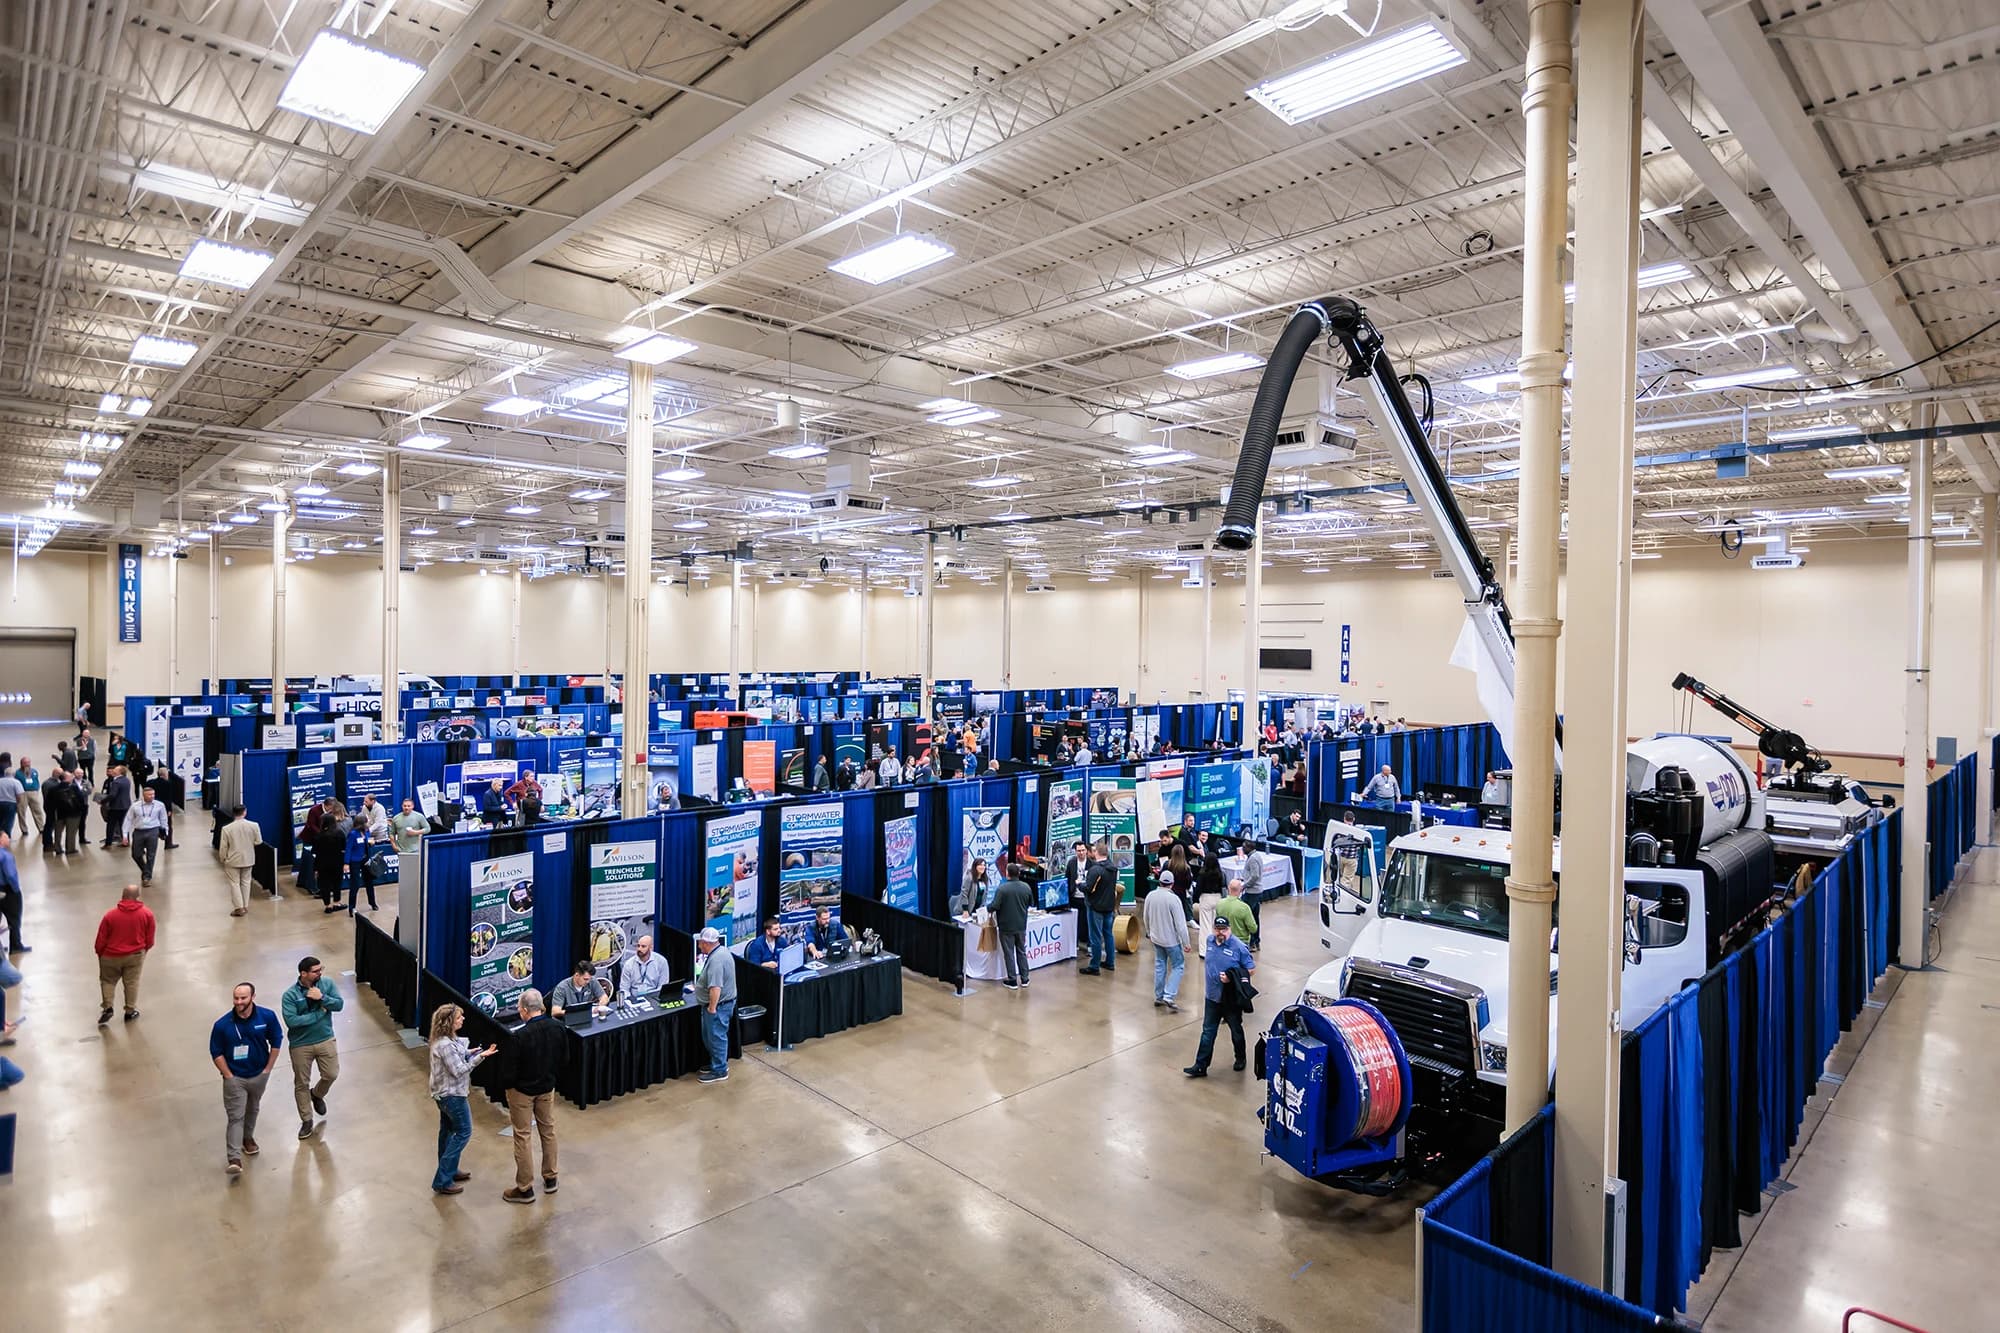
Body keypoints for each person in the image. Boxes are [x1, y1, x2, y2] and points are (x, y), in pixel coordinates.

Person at [210, 981, 283, 1174]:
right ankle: (234, 1158)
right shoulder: (223, 1025)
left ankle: (247, 1138)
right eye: (236, 998)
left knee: (253, 1108)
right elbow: (216, 1052)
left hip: (259, 1074)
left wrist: (267, 1069)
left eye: (243, 998)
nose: (239, 1001)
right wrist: (229, 1076)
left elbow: (276, 1040)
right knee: (236, 1116)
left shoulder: (267, 1017)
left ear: (253, 997)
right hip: (236, 1078)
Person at [500, 988, 565, 1202]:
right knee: (548, 1131)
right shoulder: (558, 1028)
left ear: (526, 1010)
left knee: (522, 1135)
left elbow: (509, 1071)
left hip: (522, 1092)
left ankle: (525, 1188)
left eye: (520, 1008)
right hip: (547, 1088)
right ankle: (551, 1178)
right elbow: (565, 1059)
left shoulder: (519, 1036)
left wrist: (510, 1088)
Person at [427, 1003, 495, 1195]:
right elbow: (458, 1070)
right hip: (452, 1096)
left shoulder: (446, 1040)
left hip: (443, 1094)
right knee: (464, 1132)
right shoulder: (445, 1045)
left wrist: (470, 1052)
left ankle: (449, 1170)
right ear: (449, 1022)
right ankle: (442, 1180)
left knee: (447, 1132)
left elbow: (458, 1056)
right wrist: (480, 1057)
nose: (463, 1020)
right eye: (458, 1018)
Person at [1184, 915, 1256, 1077]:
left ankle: (1240, 1058)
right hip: (1212, 997)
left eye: (1224, 929)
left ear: (1229, 929)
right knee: (1208, 1032)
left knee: (1236, 1030)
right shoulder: (1209, 941)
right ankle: (1200, 1065)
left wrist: (1232, 976)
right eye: (1217, 929)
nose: (1220, 933)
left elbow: (1251, 969)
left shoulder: (1238, 947)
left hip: (1230, 999)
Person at [281, 955, 343, 1141]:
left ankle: (317, 1094)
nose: (320, 973)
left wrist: (322, 998)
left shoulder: (327, 985)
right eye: (316, 971)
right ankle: (306, 1120)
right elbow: (292, 1022)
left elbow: (339, 1005)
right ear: (303, 973)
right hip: (301, 1045)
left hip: (325, 1038)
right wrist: (318, 1014)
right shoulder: (290, 995)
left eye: (320, 969)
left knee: (331, 1074)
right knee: (301, 1083)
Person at [94, 883, 154, 1024]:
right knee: (131, 983)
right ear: (137, 897)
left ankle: (108, 1007)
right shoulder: (147, 914)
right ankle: (130, 1011)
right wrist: (143, 951)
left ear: (122, 896)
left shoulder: (110, 916)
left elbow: (101, 939)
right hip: (135, 955)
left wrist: (100, 953)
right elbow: (150, 939)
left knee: (108, 981)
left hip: (110, 955)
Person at [694, 927, 736, 1084]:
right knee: (711, 1037)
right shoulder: (722, 952)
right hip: (722, 1005)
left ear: (706, 943)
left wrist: (712, 1008)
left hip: (719, 1007)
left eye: (701, 943)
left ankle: (719, 1070)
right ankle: (716, 1063)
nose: (699, 946)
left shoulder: (717, 960)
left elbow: (716, 987)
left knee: (716, 1037)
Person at [989, 864, 1034, 989]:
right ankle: (1025, 978)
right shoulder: (1026, 887)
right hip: (1021, 926)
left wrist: (987, 908)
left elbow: (994, 906)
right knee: (1021, 951)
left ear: (1007, 873)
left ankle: (1012, 979)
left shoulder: (1002, 889)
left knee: (1009, 953)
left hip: (1006, 927)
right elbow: (1031, 903)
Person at [1080, 842, 1119, 975]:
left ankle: (1094, 966)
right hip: (1109, 906)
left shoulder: (1095, 870)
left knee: (1095, 937)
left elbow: (1088, 888)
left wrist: (1079, 885)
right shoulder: (1113, 868)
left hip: (1095, 907)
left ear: (1096, 852)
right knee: (1108, 934)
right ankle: (1110, 962)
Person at [217, 805, 263, 915]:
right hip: (248, 858)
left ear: (233, 813)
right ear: (245, 812)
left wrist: (222, 858)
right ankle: (245, 905)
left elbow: (223, 847)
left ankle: (239, 907)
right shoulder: (254, 825)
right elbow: (258, 841)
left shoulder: (226, 829)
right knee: (246, 882)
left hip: (232, 860)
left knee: (234, 883)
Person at [122, 784, 169, 885]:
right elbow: (128, 820)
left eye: (153, 794)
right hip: (139, 831)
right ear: (143, 796)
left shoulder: (160, 805)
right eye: (149, 795)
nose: (152, 796)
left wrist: (165, 831)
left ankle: (147, 877)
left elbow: (163, 819)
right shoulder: (135, 806)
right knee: (136, 854)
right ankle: (145, 869)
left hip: (153, 830)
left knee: (151, 855)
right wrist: (125, 835)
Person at [314, 800, 349, 914]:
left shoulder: (319, 835)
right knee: (336, 883)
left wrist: (315, 868)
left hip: (322, 863)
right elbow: (344, 847)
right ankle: (337, 903)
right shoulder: (339, 833)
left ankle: (327, 905)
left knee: (325, 884)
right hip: (337, 862)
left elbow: (316, 852)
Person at [342, 816, 377, 915]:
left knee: (369, 882)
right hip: (355, 861)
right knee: (355, 884)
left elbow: (369, 842)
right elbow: (348, 849)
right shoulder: (353, 834)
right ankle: (351, 908)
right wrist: (346, 863)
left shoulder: (367, 832)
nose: (368, 824)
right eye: (366, 822)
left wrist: (371, 843)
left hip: (365, 860)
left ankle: (373, 903)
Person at [618, 935, 670, 999]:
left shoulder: (661, 962)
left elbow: (662, 987)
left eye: (643, 946)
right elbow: (624, 989)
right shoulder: (629, 964)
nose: (639, 949)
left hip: (654, 998)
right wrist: (630, 1000)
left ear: (651, 948)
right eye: (638, 946)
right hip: (634, 998)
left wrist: (655, 999)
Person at [46, 769, 84, 856]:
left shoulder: (53, 789)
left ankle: (57, 847)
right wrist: (81, 809)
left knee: (58, 831)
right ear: (67, 778)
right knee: (71, 832)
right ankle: (70, 848)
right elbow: (81, 798)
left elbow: (49, 802)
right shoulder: (73, 787)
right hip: (73, 813)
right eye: (71, 776)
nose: (72, 777)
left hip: (59, 813)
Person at [1217, 877, 1257, 953]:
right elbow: (1253, 928)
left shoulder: (1219, 904)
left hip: (1224, 940)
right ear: (1241, 890)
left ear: (1228, 888)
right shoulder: (1244, 908)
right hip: (1241, 942)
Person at [98, 765, 131, 848]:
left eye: (115, 770)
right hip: (125, 805)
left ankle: (108, 843)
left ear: (120, 772)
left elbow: (113, 795)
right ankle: (126, 841)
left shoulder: (116, 782)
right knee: (123, 825)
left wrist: (102, 801)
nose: (113, 771)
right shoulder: (126, 780)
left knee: (110, 825)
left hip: (116, 807)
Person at [0, 832, 21, 957]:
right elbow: (11, 875)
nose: (9, 839)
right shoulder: (6, 856)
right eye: (6, 837)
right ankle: (16, 945)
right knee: (14, 918)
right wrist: (16, 889)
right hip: (7, 890)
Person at [14, 758, 41, 847]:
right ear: (21, 764)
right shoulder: (17, 773)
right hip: (22, 793)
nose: (27, 764)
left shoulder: (34, 771)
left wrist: (36, 789)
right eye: (25, 763)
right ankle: (24, 829)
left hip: (33, 792)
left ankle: (41, 827)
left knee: (37, 811)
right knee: (21, 812)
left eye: (28, 763)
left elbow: (37, 781)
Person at [0, 764, 19, 838]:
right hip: (11, 803)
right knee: (9, 821)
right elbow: (19, 795)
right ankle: (7, 837)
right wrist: (18, 804)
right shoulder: (16, 782)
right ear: (14, 774)